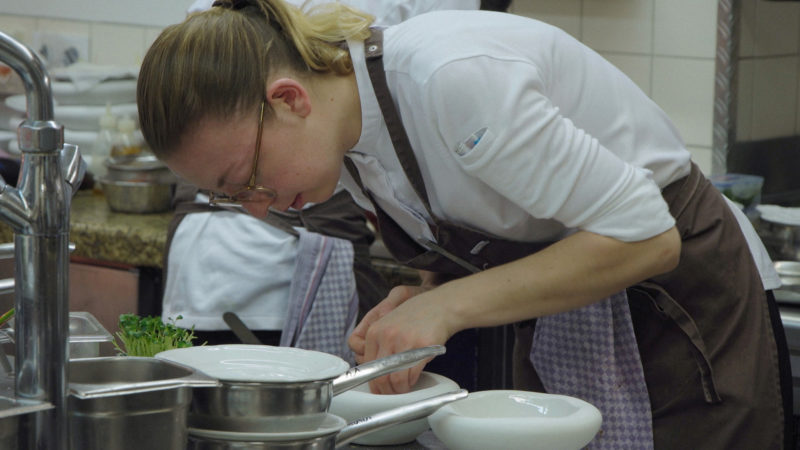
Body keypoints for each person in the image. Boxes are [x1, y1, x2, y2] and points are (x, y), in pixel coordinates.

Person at [135, 1, 793, 448]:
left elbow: (649, 236)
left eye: (245, 178)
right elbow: (478, 231)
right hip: (586, 316)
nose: (258, 206)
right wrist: (421, 298)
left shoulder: (451, 81)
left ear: (288, 100)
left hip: (679, 311)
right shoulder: (350, 147)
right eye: (231, 197)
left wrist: (448, 306)